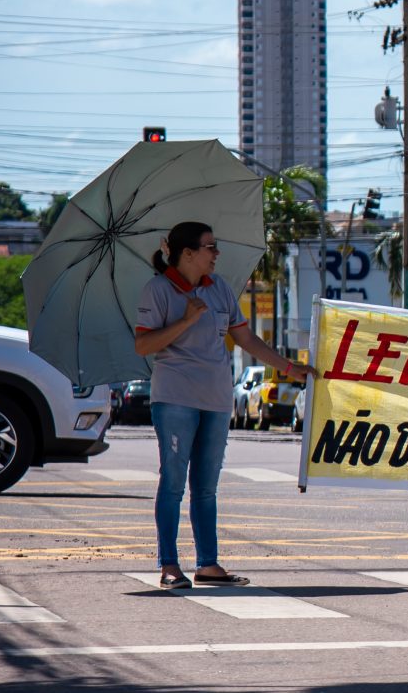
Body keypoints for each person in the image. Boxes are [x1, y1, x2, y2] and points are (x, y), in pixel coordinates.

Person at [131, 220, 311, 590]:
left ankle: (207, 564)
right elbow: (144, 346)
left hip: (216, 400)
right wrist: (185, 320)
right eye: (210, 247)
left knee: (207, 487)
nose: (217, 254)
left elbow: (246, 339)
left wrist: (291, 368)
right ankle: (169, 565)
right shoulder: (158, 290)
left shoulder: (221, 289)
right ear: (188, 253)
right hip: (175, 399)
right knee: (173, 483)